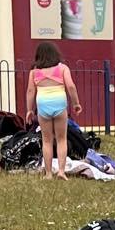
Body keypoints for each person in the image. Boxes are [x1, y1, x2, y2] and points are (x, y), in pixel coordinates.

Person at [25, 43, 82, 181]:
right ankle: (61, 171)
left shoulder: (34, 72)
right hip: (59, 104)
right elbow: (71, 86)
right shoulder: (63, 68)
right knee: (61, 139)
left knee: (47, 140)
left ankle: (48, 173)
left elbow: (30, 91)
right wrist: (76, 103)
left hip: (43, 105)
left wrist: (29, 110)